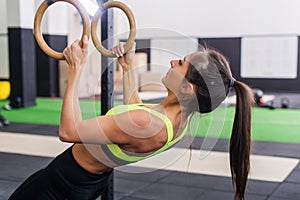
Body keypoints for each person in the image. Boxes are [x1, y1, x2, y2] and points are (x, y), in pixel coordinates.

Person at [9, 35, 254, 200]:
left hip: (61, 184)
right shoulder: (176, 120)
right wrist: (126, 68)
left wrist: (76, 68)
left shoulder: (148, 124)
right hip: (86, 182)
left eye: (180, 63)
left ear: (187, 87)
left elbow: (69, 132)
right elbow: (135, 112)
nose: (171, 61)